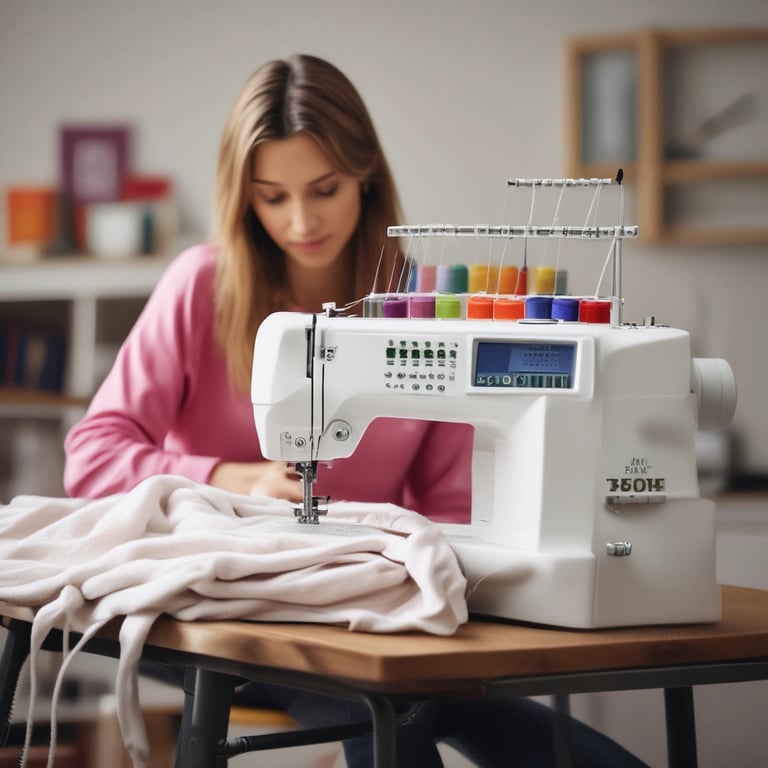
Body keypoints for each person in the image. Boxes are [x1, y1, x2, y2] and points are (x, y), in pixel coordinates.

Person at [63, 54, 647, 767]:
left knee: (547, 738)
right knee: (389, 719)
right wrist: (234, 478)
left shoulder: (424, 308)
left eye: (325, 189)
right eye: (272, 196)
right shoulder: (200, 287)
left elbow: (448, 506)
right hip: (207, 608)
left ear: (365, 173)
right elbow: (91, 457)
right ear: (242, 195)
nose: (300, 220)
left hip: (353, 610)